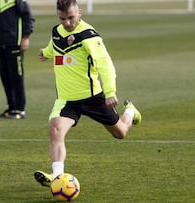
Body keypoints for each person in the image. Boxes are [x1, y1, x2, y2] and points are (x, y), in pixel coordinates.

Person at [33, 0, 142, 187]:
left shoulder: (88, 36)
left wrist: (110, 92)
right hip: (66, 99)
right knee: (55, 130)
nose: (67, 23)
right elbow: (57, 48)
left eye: (71, 18)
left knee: (120, 133)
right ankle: (58, 178)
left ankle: (130, 111)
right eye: (62, 18)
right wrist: (47, 53)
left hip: (93, 98)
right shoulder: (56, 31)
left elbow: (105, 64)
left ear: (80, 13)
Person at [0, 0, 35, 119]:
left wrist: (26, 37)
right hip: (0, 45)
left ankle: (20, 109)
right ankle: (11, 108)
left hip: (15, 44)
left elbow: (28, 18)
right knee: (5, 77)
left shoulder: (17, 1)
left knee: (16, 77)